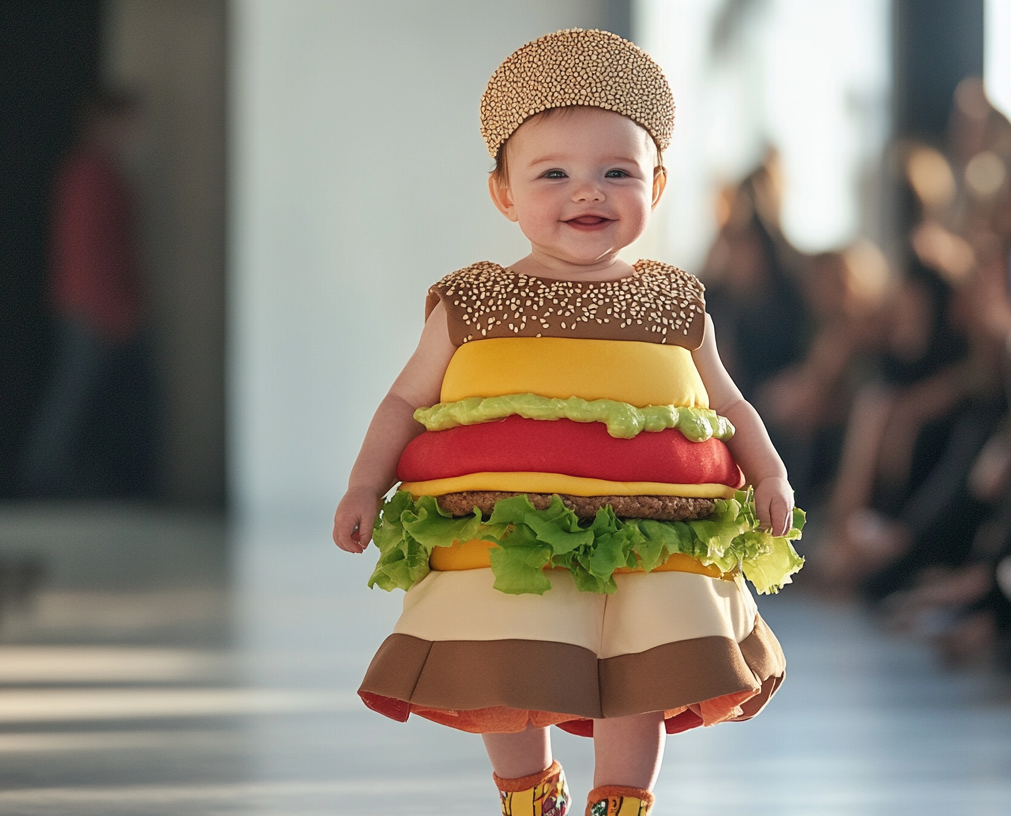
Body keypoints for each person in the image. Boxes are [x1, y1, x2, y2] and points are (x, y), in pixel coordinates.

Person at [331, 30, 804, 815]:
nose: (588, 192)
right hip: (509, 526)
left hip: (657, 532)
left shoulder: (673, 300)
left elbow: (727, 402)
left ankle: (621, 800)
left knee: (641, 669)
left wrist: (771, 471)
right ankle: (525, 792)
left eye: (616, 173)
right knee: (507, 660)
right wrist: (362, 484)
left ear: (655, 186)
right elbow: (404, 402)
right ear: (504, 194)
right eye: (554, 174)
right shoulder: (471, 301)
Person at [22, 87, 156, 498]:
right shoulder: (89, 175)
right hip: (93, 307)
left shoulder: (97, 173)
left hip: (96, 304)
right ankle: (43, 477)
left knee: (82, 397)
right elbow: (90, 250)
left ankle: (55, 476)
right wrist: (114, 308)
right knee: (73, 397)